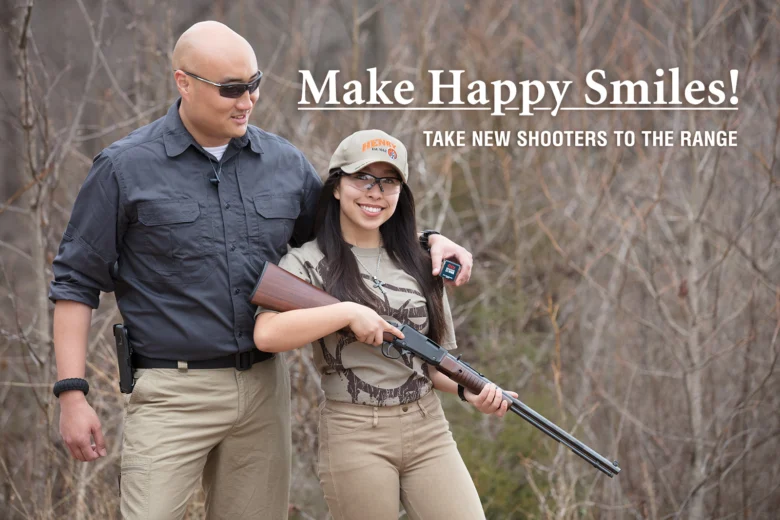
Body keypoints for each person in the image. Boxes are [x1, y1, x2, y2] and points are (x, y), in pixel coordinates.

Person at [48, 22, 473, 520]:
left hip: (263, 393)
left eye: (254, 84)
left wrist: (428, 241)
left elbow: (349, 234)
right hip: (172, 392)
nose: (246, 100)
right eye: (230, 88)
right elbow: (75, 283)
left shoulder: (282, 163)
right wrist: (72, 394)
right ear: (183, 82)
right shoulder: (123, 169)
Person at [254, 129, 516, 520]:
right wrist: (345, 313)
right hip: (355, 432)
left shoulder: (422, 260)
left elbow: (432, 362)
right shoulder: (306, 262)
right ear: (338, 186)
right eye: (363, 178)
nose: (375, 192)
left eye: (388, 181)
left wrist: (469, 392)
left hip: (428, 427)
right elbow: (266, 335)